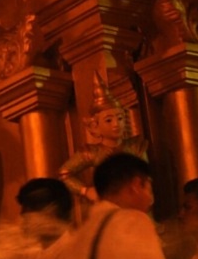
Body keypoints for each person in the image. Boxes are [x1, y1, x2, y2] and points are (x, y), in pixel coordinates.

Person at [59, 73, 148, 208]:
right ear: (95, 126)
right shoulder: (91, 152)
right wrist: (85, 190)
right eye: (108, 120)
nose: (116, 124)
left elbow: (145, 177)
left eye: (119, 118)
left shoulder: (135, 146)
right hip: (109, 205)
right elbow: (64, 174)